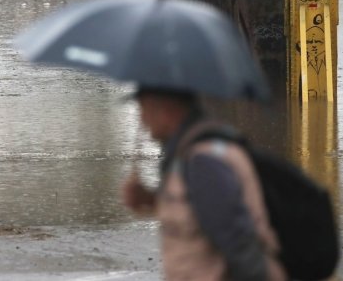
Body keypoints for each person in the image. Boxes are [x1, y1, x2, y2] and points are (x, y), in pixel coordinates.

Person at [122, 87, 286, 280]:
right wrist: (151, 199)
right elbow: (197, 211)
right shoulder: (186, 154)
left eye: (144, 109)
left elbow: (239, 243)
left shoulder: (205, 162)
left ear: (167, 111)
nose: (142, 119)